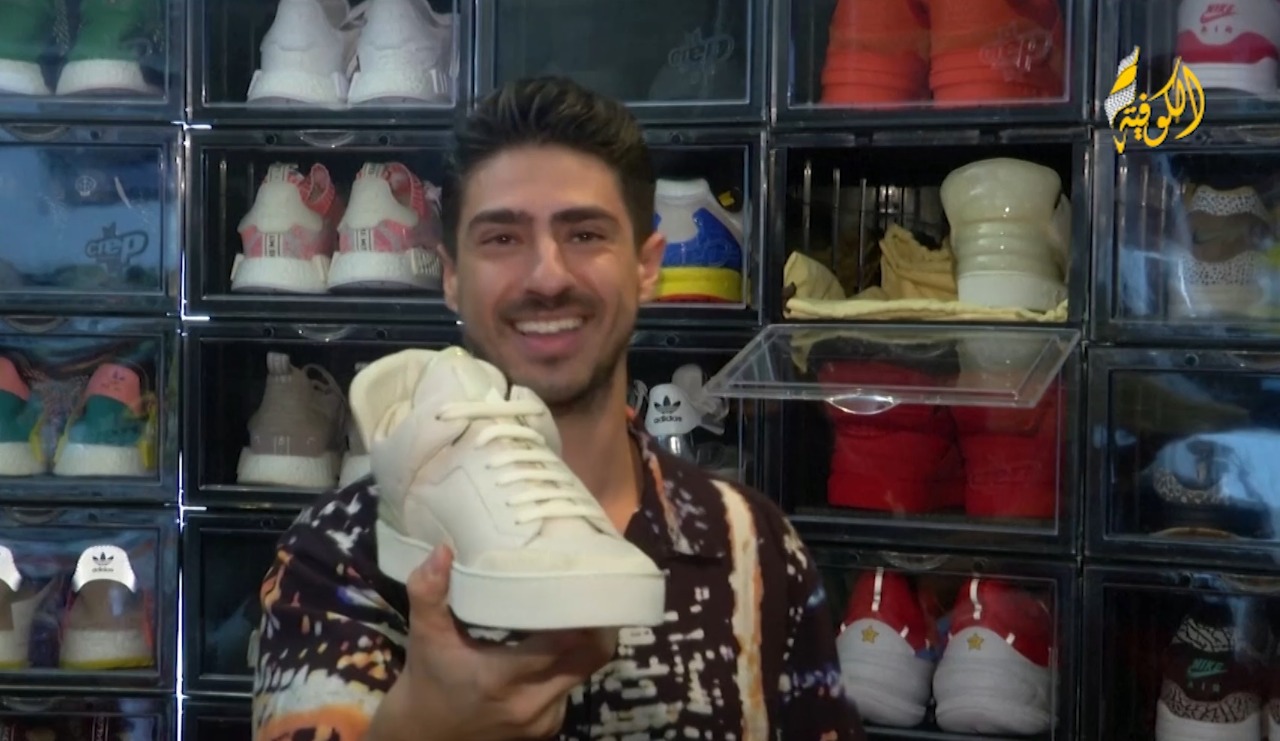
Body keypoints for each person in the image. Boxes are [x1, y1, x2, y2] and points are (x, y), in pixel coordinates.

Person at [250, 76, 866, 741]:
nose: (547, 276)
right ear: (450, 276)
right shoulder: (337, 549)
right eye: (502, 239)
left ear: (646, 267)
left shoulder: (754, 541)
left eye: (585, 234)